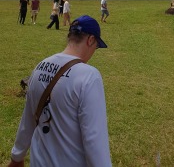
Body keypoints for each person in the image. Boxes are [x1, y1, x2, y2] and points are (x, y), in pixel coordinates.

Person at [9, 15, 111, 167]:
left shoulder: (40, 66)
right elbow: (94, 140)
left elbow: (28, 119)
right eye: (96, 46)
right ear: (90, 40)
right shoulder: (89, 76)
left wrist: (17, 156)